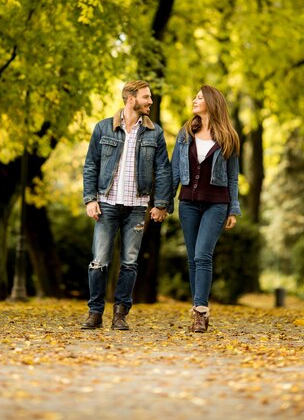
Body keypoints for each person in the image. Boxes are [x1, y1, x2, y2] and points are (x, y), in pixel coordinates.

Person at [82, 80, 172, 330]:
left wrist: (161, 203)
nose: (150, 101)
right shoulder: (103, 128)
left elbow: (163, 170)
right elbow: (91, 165)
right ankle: (95, 312)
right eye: (146, 97)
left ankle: (120, 314)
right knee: (99, 260)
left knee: (130, 263)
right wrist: (90, 199)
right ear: (131, 99)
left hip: (137, 207)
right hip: (106, 203)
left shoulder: (155, 133)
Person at [171, 85, 241, 333]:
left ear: (211, 103)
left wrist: (233, 208)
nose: (194, 100)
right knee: (193, 260)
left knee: (203, 255)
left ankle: (200, 312)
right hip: (188, 203)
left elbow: (233, 177)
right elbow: (175, 172)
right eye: (195, 96)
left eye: (199, 97)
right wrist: (164, 203)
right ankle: (198, 311)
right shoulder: (185, 133)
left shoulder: (229, 137)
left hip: (216, 204)